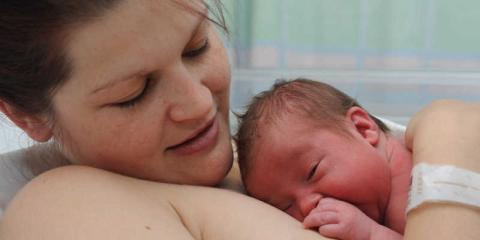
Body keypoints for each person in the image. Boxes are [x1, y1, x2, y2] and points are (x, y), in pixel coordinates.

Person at [0, 0, 478, 239]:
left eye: (197, 46)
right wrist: (454, 148)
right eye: (134, 93)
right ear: (25, 115)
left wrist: (447, 128)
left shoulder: (280, 146)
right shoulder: (63, 205)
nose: (200, 105)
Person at [235, 79, 410, 240]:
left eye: (313, 171)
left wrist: (371, 234)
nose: (306, 206)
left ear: (362, 128)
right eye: (286, 207)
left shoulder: (413, 182)